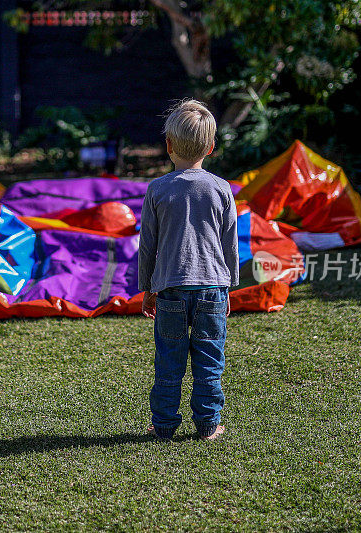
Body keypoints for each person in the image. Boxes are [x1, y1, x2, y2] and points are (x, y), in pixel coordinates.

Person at [138, 99, 239, 441]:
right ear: (211, 147)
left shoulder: (157, 189)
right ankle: (209, 425)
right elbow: (230, 245)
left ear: (168, 146)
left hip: (170, 290)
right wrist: (230, 287)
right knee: (210, 361)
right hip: (213, 288)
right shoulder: (222, 189)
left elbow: (147, 246)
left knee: (169, 361)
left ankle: (164, 425)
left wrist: (148, 289)